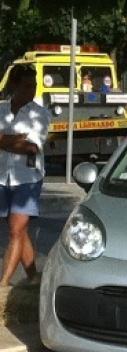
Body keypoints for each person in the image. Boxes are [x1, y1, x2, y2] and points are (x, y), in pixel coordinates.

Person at [0, 65, 49, 287]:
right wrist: (14, 140)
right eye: (27, 85)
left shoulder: (40, 114)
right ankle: (32, 277)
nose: (33, 90)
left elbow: (31, 148)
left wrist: (2, 140)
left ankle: (3, 285)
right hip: (3, 176)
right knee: (20, 231)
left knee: (15, 229)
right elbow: (21, 144)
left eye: (35, 85)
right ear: (14, 86)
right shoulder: (1, 110)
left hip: (27, 178)